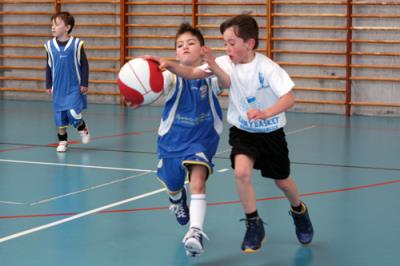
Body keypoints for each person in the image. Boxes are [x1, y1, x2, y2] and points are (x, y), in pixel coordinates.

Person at [156, 14, 314, 253]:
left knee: (283, 182)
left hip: (271, 132)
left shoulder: (267, 68)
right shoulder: (225, 62)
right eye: (225, 43)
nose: (227, 48)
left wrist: (266, 112)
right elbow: (193, 74)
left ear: (249, 43)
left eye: (232, 43)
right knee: (241, 172)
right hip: (243, 132)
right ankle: (254, 224)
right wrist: (169, 65)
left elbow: (289, 98)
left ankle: (298, 210)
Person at [148, 23, 228, 257]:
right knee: (173, 184)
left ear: (203, 49)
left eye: (191, 43)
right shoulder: (169, 76)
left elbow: (224, 83)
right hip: (172, 141)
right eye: (179, 45)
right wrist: (139, 93)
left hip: (201, 140)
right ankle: (177, 199)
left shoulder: (209, 74)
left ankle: (195, 232)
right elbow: (153, 88)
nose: (184, 47)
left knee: (198, 182)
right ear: (175, 52)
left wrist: (214, 64)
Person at [44, 11, 90, 152]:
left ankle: (82, 127)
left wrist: (84, 83)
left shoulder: (76, 44)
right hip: (58, 87)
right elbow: (48, 66)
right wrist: (48, 84)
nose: (53, 27)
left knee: (73, 112)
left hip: (73, 86)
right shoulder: (50, 46)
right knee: (60, 117)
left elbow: (84, 65)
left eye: (56, 24)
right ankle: (63, 142)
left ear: (67, 27)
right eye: (52, 24)